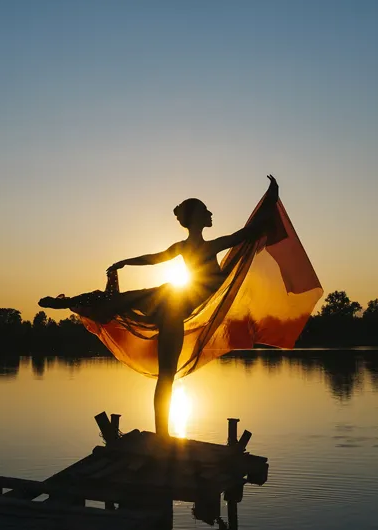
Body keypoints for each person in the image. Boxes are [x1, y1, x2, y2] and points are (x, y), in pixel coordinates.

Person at [41, 175, 281, 436]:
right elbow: (242, 235)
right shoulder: (209, 246)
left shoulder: (193, 246)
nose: (211, 213)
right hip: (172, 303)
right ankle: (68, 302)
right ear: (197, 219)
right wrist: (271, 200)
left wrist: (270, 199)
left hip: (172, 306)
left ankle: (163, 435)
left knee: (157, 358)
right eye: (205, 211)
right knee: (159, 362)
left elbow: (241, 236)